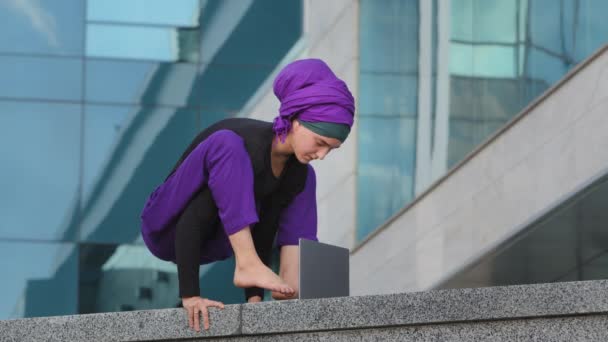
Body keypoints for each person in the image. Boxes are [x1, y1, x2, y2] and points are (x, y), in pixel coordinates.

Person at [139, 58, 355, 332]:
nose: (322, 155)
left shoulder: (295, 172)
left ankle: (290, 281)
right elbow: (195, 213)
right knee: (227, 145)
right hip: (167, 225)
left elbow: (265, 227)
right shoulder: (244, 142)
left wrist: (255, 299)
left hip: (217, 239)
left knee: (304, 178)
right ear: (297, 122)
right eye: (321, 142)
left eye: (331, 149)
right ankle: (247, 264)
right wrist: (190, 296)